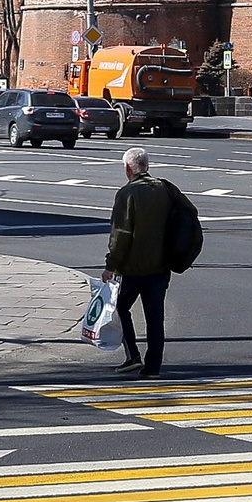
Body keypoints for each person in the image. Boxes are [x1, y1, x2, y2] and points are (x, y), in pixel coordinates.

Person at [105, 145, 194, 378]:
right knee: (155, 318)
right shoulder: (165, 188)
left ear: (127, 168)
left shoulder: (127, 194)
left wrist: (110, 265)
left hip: (133, 268)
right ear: (146, 166)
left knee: (121, 307)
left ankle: (132, 354)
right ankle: (152, 367)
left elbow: (120, 235)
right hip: (160, 267)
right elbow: (187, 215)